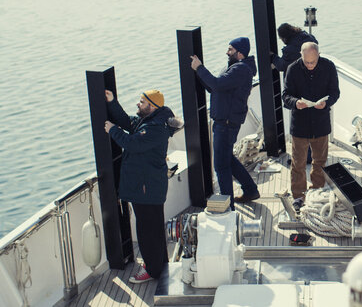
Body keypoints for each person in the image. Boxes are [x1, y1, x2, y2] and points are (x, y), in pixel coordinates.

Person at [104, 89, 182, 284]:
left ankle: (153, 270)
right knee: (153, 228)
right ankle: (159, 264)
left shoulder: (154, 128)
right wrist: (112, 102)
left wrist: (112, 130)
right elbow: (127, 122)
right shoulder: (150, 121)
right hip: (149, 187)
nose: (138, 104)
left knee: (147, 231)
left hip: (146, 189)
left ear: (152, 106)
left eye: (141, 102)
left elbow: (132, 144)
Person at [190, 37, 260, 207]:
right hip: (227, 121)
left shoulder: (240, 69)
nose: (227, 52)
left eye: (230, 49)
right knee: (227, 159)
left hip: (226, 123)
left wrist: (199, 67)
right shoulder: (237, 68)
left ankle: (228, 207)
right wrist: (199, 72)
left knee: (221, 166)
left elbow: (217, 84)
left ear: (240, 53)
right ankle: (250, 190)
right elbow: (215, 86)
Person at [281, 42, 340, 210]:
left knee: (320, 162)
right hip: (300, 125)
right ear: (301, 55)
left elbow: (335, 92)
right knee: (298, 163)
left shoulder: (329, 67)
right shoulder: (292, 69)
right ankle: (298, 196)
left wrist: (327, 103)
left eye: (313, 62)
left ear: (319, 55)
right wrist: (296, 102)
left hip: (321, 124)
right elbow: (286, 95)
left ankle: (317, 192)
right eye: (306, 62)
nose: (310, 65)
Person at [272, 23, 319, 165]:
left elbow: (282, 65)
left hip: (298, 90)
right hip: (313, 84)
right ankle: (312, 154)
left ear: (284, 37)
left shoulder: (291, 49)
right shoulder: (309, 38)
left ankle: (303, 157)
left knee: (299, 127)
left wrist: (273, 57)